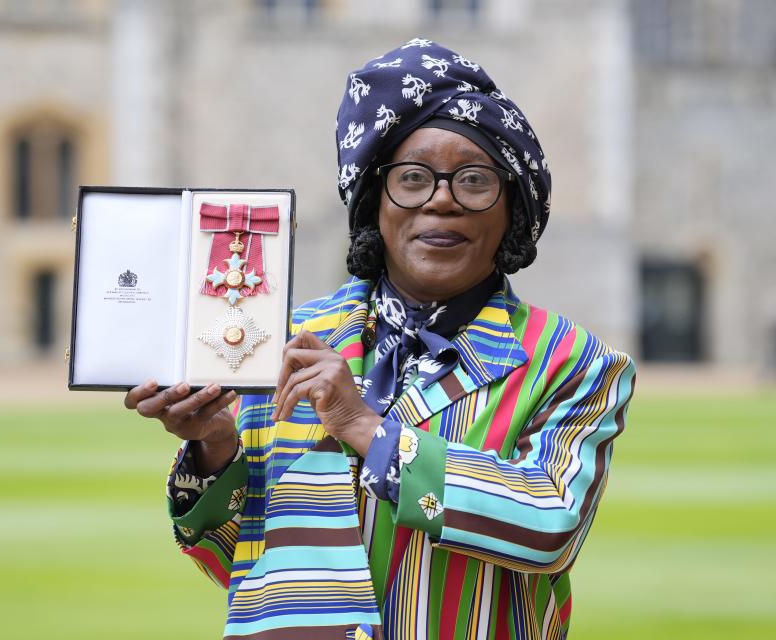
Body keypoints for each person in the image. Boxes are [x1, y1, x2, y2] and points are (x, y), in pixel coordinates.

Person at [125, 40, 635, 640]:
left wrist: (367, 430)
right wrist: (214, 446)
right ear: (375, 204)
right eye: (413, 179)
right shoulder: (281, 342)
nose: (442, 200)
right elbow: (237, 561)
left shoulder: (571, 360)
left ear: (512, 209)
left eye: (473, 181)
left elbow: (550, 527)